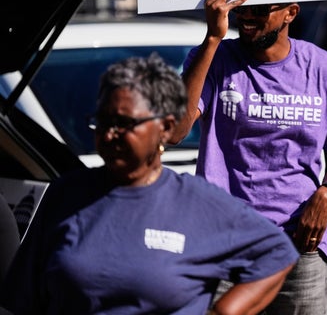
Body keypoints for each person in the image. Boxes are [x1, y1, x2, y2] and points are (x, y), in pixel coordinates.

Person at [0, 53, 298, 315]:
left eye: (123, 124)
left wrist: (224, 311)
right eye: (102, 122)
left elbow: (276, 253)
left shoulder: (198, 203)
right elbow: (23, 299)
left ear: (165, 127)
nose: (108, 135)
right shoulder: (65, 195)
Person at [170, 0, 327, 314]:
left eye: (260, 8)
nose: (247, 15)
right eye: (241, 7)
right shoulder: (213, 59)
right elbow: (174, 131)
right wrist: (213, 36)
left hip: (299, 246)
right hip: (221, 243)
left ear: (291, 13)